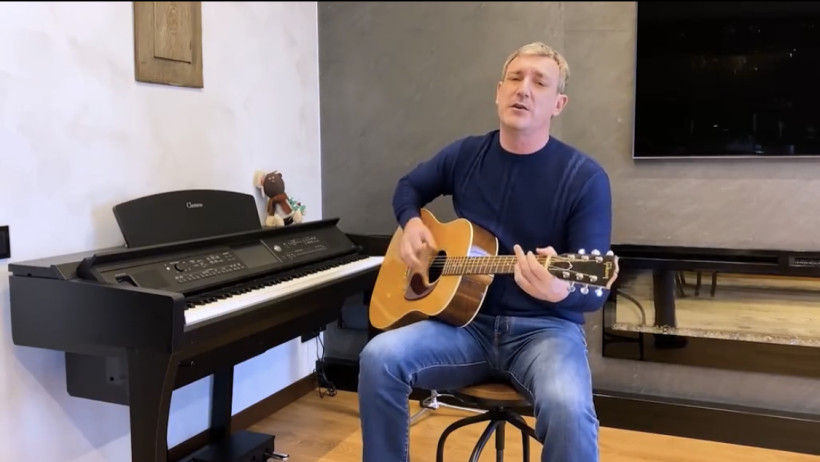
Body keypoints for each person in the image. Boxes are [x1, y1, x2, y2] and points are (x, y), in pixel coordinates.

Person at [357, 41, 613, 462]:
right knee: (378, 358)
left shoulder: (585, 179)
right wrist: (412, 223)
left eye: (539, 82)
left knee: (569, 408)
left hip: (545, 332)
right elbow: (409, 187)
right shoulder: (466, 154)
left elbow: (595, 290)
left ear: (558, 103)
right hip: (464, 327)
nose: (523, 89)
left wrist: (559, 291)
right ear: (498, 91)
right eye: (515, 78)